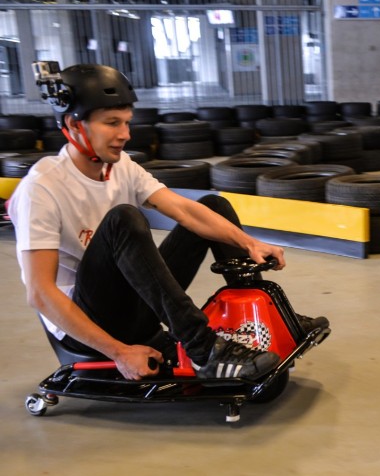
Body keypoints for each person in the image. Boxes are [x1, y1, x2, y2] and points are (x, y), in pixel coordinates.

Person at [8, 63, 324, 380]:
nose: (125, 135)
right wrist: (119, 352)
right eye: (112, 123)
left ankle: (267, 317)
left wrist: (250, 243)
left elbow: (183, 211)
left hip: (131, 307)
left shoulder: (121, 167)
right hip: (87, 325)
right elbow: (40, 294)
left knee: (212, 205)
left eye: (127, 123)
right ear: (73, 124)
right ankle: (205, 348)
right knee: (124, 220)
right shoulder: (41, 188)